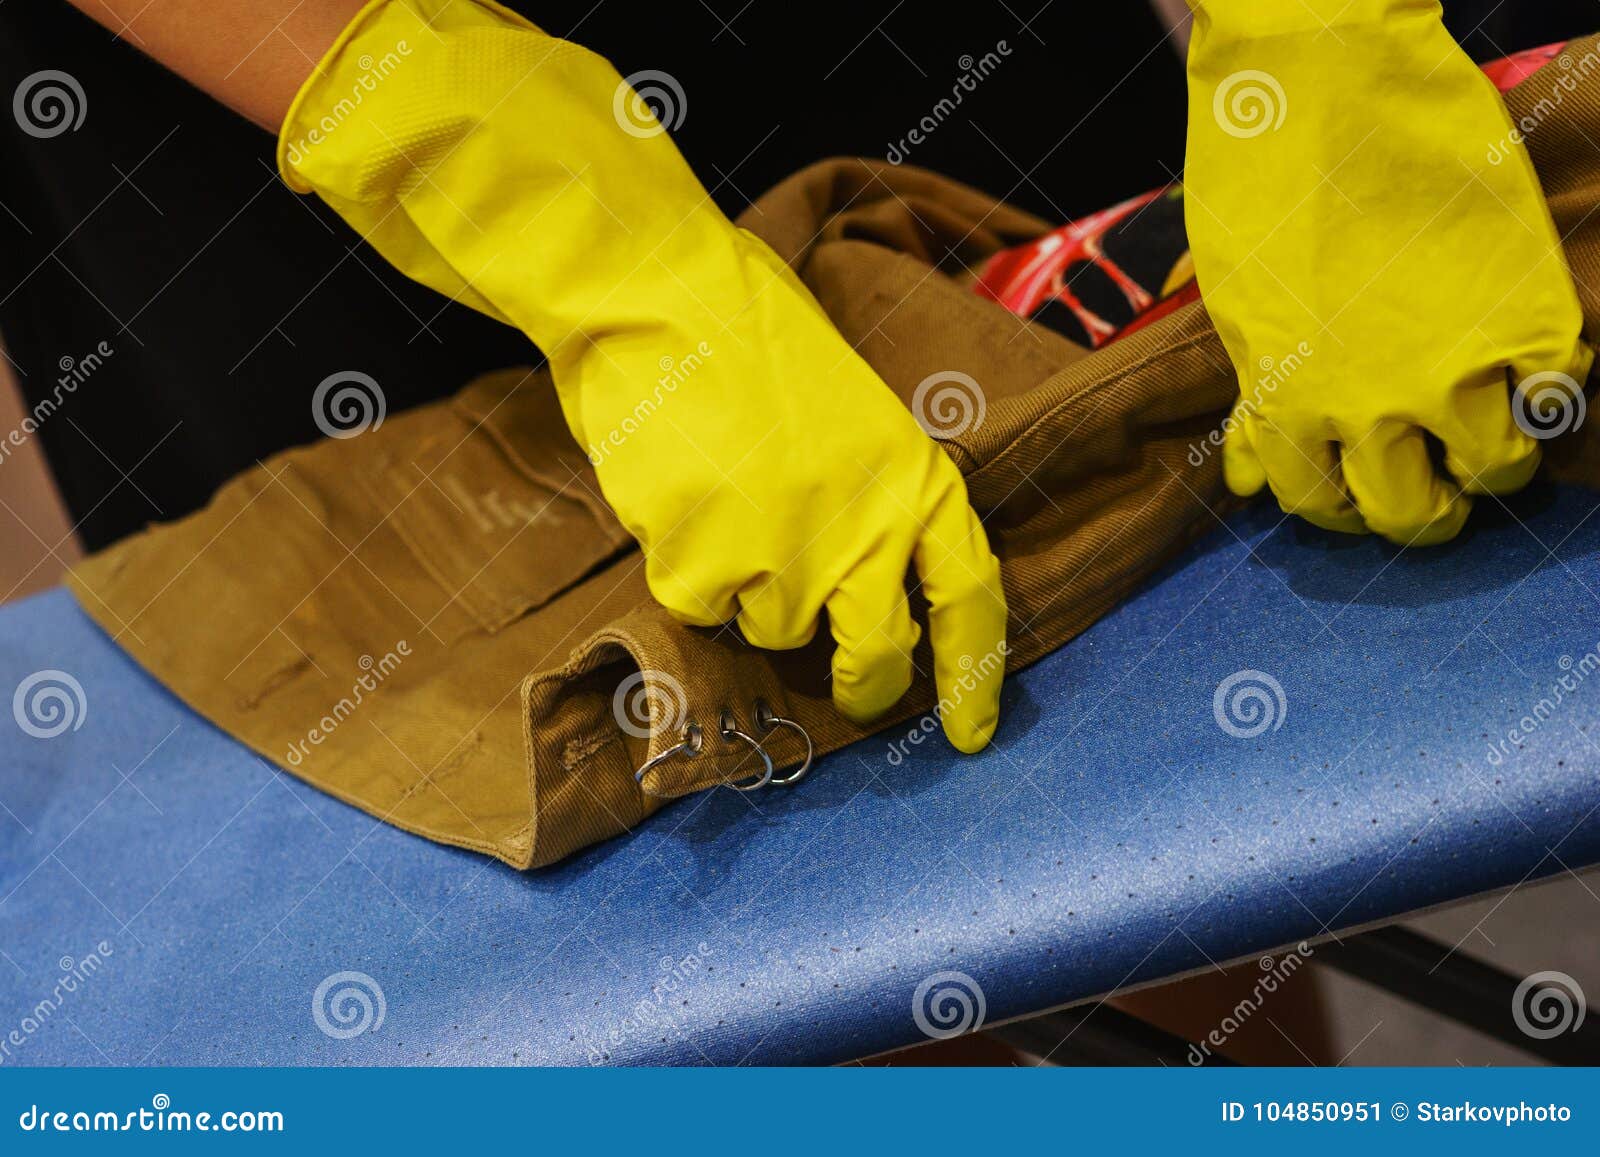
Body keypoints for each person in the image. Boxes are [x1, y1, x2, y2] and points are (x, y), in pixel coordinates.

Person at [1, 0, 1591, 755]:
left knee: (1157, 703)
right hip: (278, 86)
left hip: (876, 37)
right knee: (622, 898)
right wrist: (528, 202)